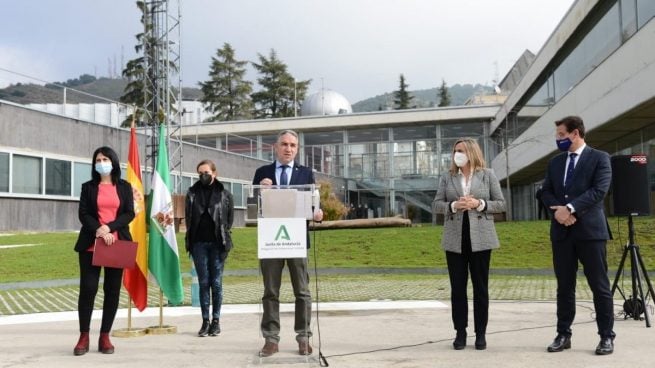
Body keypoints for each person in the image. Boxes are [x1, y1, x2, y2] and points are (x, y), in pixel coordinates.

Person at [540, 116, 615, 355]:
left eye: (561, 135)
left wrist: (569, 209)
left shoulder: (600, 158)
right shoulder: (555, 162)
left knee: (600, 286)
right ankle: (563, 334)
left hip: (590, 233)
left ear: (575, 133)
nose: (558, 139)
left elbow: (599, 191)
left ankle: (606, 337)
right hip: (562, 233)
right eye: (557, 135)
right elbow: (544, 191)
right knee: (564, 287)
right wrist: (558, 212)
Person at [252, 129, 323, 357]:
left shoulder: (306, 174)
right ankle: (271, 340)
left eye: (293, 145)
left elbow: (313, 207)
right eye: (284, 144)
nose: (288, 148)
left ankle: (303, 337)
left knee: (302, 292)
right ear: (275, 146)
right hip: (271, 240)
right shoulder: (262, 173)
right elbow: (252, 207)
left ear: (297, 149)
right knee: (270, 291)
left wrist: (317, 213)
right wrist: (259, 193)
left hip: (297, 240)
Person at [432, 137, 505, 351]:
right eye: (455, 151)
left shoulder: (487, 174)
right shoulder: (447, 177)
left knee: (480, 288)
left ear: (472, 152)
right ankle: (460, 332)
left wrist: (479, 204)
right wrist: (454, 205)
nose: (457, 154)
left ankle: (480, 333)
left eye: (461, 150)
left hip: (481, 238)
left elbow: (501, 203)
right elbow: (436, 204)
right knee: (458, 288)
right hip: (455, 238)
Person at [73, 146, 135, 356]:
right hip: (91, 244)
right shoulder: (88, 187)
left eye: (105, 159)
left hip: (117, 245)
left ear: (113, 161)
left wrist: (110, 228)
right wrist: (99, 230)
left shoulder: (124, 187)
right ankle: (84, 335)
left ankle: (105, 336)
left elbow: (129, 213)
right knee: (88, 289)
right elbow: (83, 213)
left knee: (112, 290)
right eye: (98, 159)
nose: (101, 162)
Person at [185, 159, 234, 337]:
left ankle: (216, 321)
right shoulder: (191, 193)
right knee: (204, 282)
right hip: (198, 244)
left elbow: (229, 220)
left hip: (218, 244)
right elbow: (189, 219)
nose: (203, 176)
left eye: (206, 172)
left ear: (214, 173)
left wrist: (223, 237)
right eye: (200, 173)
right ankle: (205, 321)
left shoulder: (225, 194)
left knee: (216, 283)